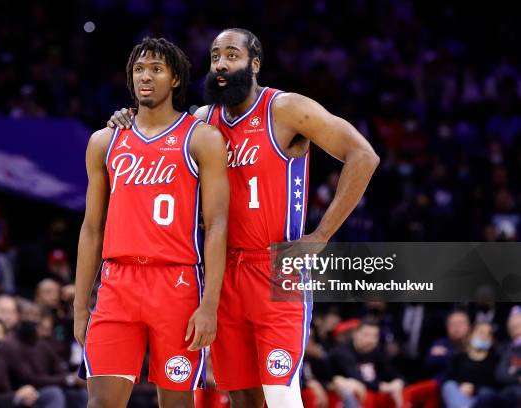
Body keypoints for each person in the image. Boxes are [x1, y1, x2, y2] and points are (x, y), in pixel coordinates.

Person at [109, 28, 379, 407]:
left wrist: (320, 236)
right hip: (222, 272)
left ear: (254, 64)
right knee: (242, 398)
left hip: (277, 266)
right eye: (215, 56)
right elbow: (155, 132)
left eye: (231, 55)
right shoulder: (202, 121)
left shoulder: (286, 109)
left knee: (282, 395)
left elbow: (363, 156)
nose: (220, 64)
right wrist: (126, 117)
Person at [74, 37, 229, 408]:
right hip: (117, 283)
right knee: (100, 403)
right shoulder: (105, 140)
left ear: (175, 78)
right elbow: (92, 228)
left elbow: (218, 224)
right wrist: (81, 306)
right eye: (139, 69)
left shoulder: (201, 138)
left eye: (156, 69)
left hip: (176, 282)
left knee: (176, 403)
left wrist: (209, 305)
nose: (146, 76)